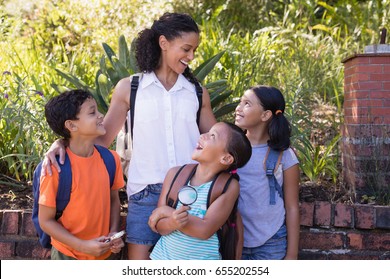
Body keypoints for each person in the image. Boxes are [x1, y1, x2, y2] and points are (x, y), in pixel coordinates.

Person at [41, 12, 216, 259]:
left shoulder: (197, 92)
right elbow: (101, 138)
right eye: (186, 49)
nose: (191, 57)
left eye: (194, 50)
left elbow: (219, 141)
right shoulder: (130, 88)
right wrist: (60, 141)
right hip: (144, 193)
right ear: (163, 43)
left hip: (190, 192)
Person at [39, 89, 125, 260]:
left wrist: (114, 232)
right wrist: (82, 246)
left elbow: (114, 200)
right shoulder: (55, 168)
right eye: (92, 112)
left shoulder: (110, 159)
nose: (101, 115)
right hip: (69, 256)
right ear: (71, 125)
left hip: (107, 255)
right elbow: (45, 221)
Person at [148, 122, 252, 260]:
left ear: (226, 158)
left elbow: (204, 230)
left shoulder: (228, 187)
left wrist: (167, 212)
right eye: (207, 132)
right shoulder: (174, 175)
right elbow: (158, 224)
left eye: (212, 136)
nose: (203, 136)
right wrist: (172, 222)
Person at [234, 85, 300, 260]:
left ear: (265, 115)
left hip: (271, 241)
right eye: (240, 101)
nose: (238, 108)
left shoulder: (285, 155)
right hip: (234, 240)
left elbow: (292, 206)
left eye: (247, 104)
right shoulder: (230, 148)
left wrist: (292, 254)